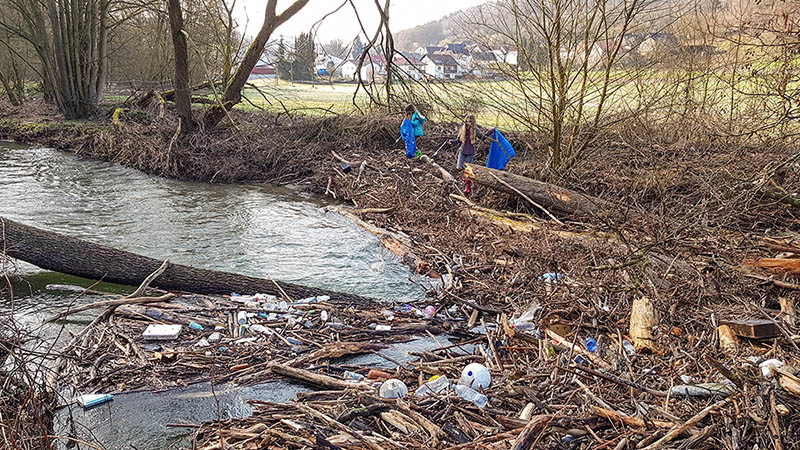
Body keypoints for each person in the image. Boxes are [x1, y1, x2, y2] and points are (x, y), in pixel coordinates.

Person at [454, 114, 492, 194]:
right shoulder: (462, 129)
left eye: (470, 122)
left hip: (470, 152)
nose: (468, 123)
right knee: (459, 168)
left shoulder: (475, 130)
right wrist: (452, 141)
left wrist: (490, 131)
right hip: (462, 151)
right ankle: (464, 180)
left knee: (468, 170)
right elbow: (458, 140)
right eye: (467, 121)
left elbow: (482, 137)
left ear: (473, 122)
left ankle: (468, 187)